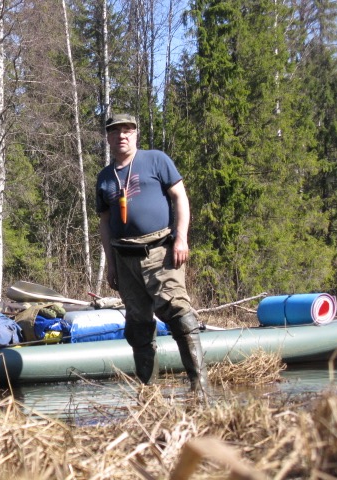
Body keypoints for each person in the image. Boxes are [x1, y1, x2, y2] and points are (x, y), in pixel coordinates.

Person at [95, 113, 207, 393]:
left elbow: (180, 197)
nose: (122, 135)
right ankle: (148, 394)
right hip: (124, 258)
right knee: (138, 326)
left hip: (160, 252)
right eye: (115, 131)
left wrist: (181, 238)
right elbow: (105, 222)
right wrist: (111, 264)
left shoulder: (156, 160)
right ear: (108, 138)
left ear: (136, 134)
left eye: (127, 130)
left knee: (179, 315)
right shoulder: (105, 177)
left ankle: (200, 388)